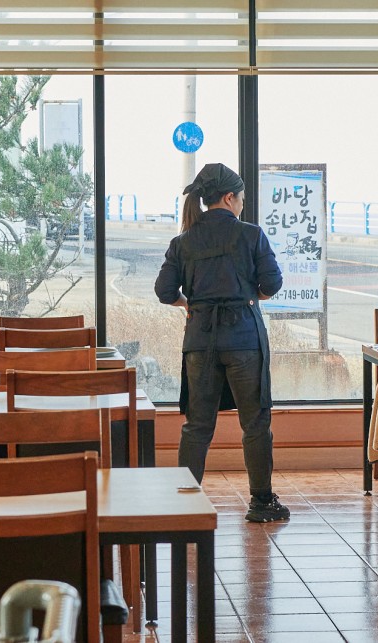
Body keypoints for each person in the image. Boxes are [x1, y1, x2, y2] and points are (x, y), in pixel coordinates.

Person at [154, 163, 289, 523]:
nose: (242, 205)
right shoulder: (251, 235)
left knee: (197, 426)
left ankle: (185, 502)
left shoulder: (183, 241)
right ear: (229, 198)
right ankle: (261, 503)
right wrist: (249, 296)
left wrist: (190, 304)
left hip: (199, 341)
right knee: (255, 423)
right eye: (241, 198)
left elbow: (164, 291)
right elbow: (272, 284)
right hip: (244, 337)